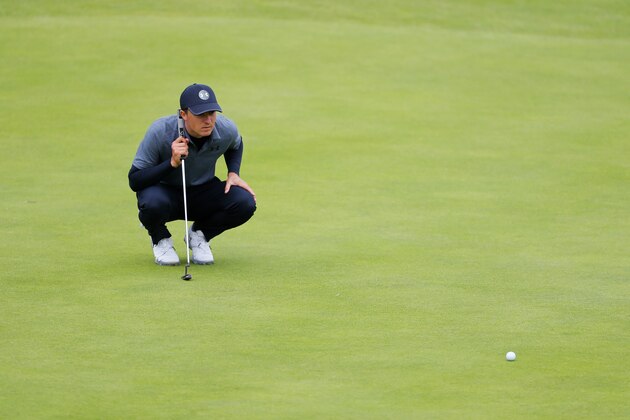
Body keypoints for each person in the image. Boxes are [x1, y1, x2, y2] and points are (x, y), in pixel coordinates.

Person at [129, 83, 256, 265]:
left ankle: (199, 235)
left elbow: (236, 143)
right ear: (183, 114)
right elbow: (135, 180)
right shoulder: (160, 131)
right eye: (200, 115)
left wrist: (233, 172)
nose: (208, 121)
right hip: (165, 195)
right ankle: (159, 238)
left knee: (245, 202)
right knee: (151, 203)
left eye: (211, 113)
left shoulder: (225, 128)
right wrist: (171, 163)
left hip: (202, 192)